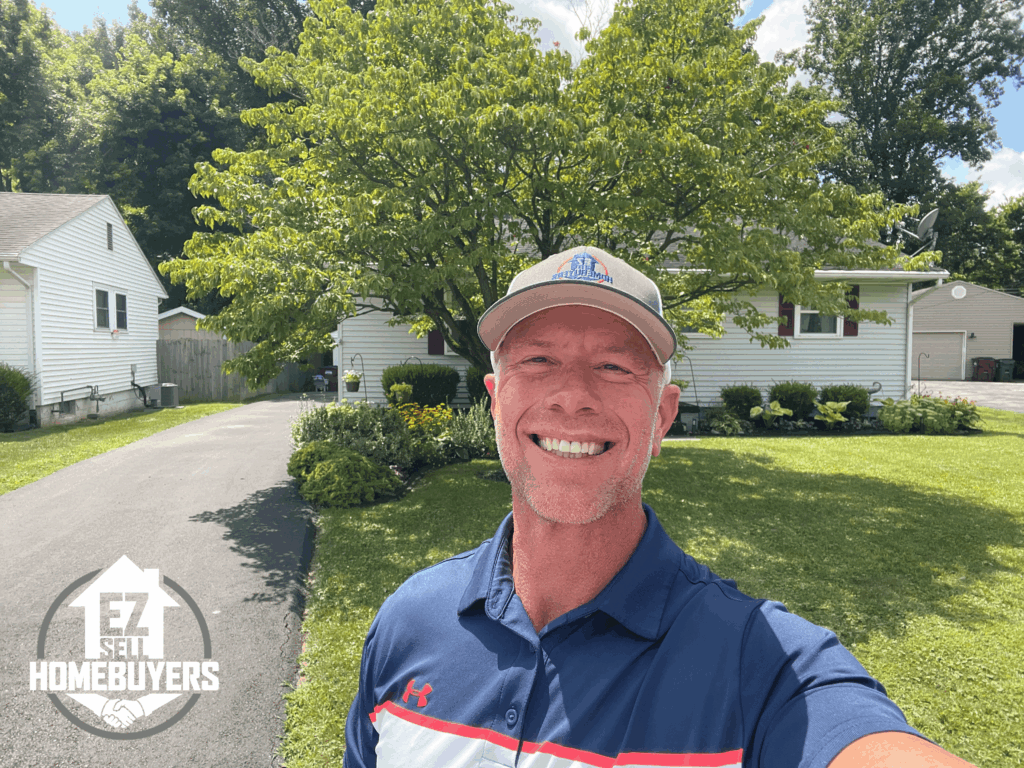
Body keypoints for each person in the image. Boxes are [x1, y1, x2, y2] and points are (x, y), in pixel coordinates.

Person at [343, 246, 974, 767]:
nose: (572, 396)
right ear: (496, 401)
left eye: (616, 367)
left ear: (663, 417)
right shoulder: (407, 622)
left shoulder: (761, 664)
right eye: (537, 360)